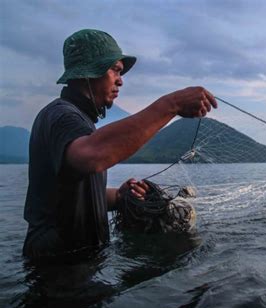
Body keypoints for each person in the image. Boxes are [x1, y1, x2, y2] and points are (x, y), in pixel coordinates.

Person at [23, 29, 217, 258]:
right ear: (89, 71)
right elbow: (91, 156)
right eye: (114, 70)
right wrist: (171, 104)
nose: (120, 81)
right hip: (58, 271)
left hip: (80, 264)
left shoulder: (77, 120)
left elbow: (70, 195)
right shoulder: (62, 116)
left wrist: (119, 196)